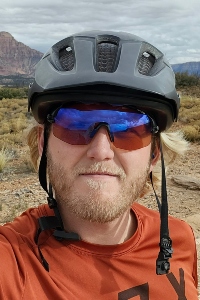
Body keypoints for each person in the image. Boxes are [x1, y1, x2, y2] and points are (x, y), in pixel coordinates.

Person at [0, 31, 198, 299]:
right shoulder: (13, 261)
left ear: (154, 155)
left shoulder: (179, 239)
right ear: (43, 144)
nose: (101, 151)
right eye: (74, 124)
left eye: (130, 129)